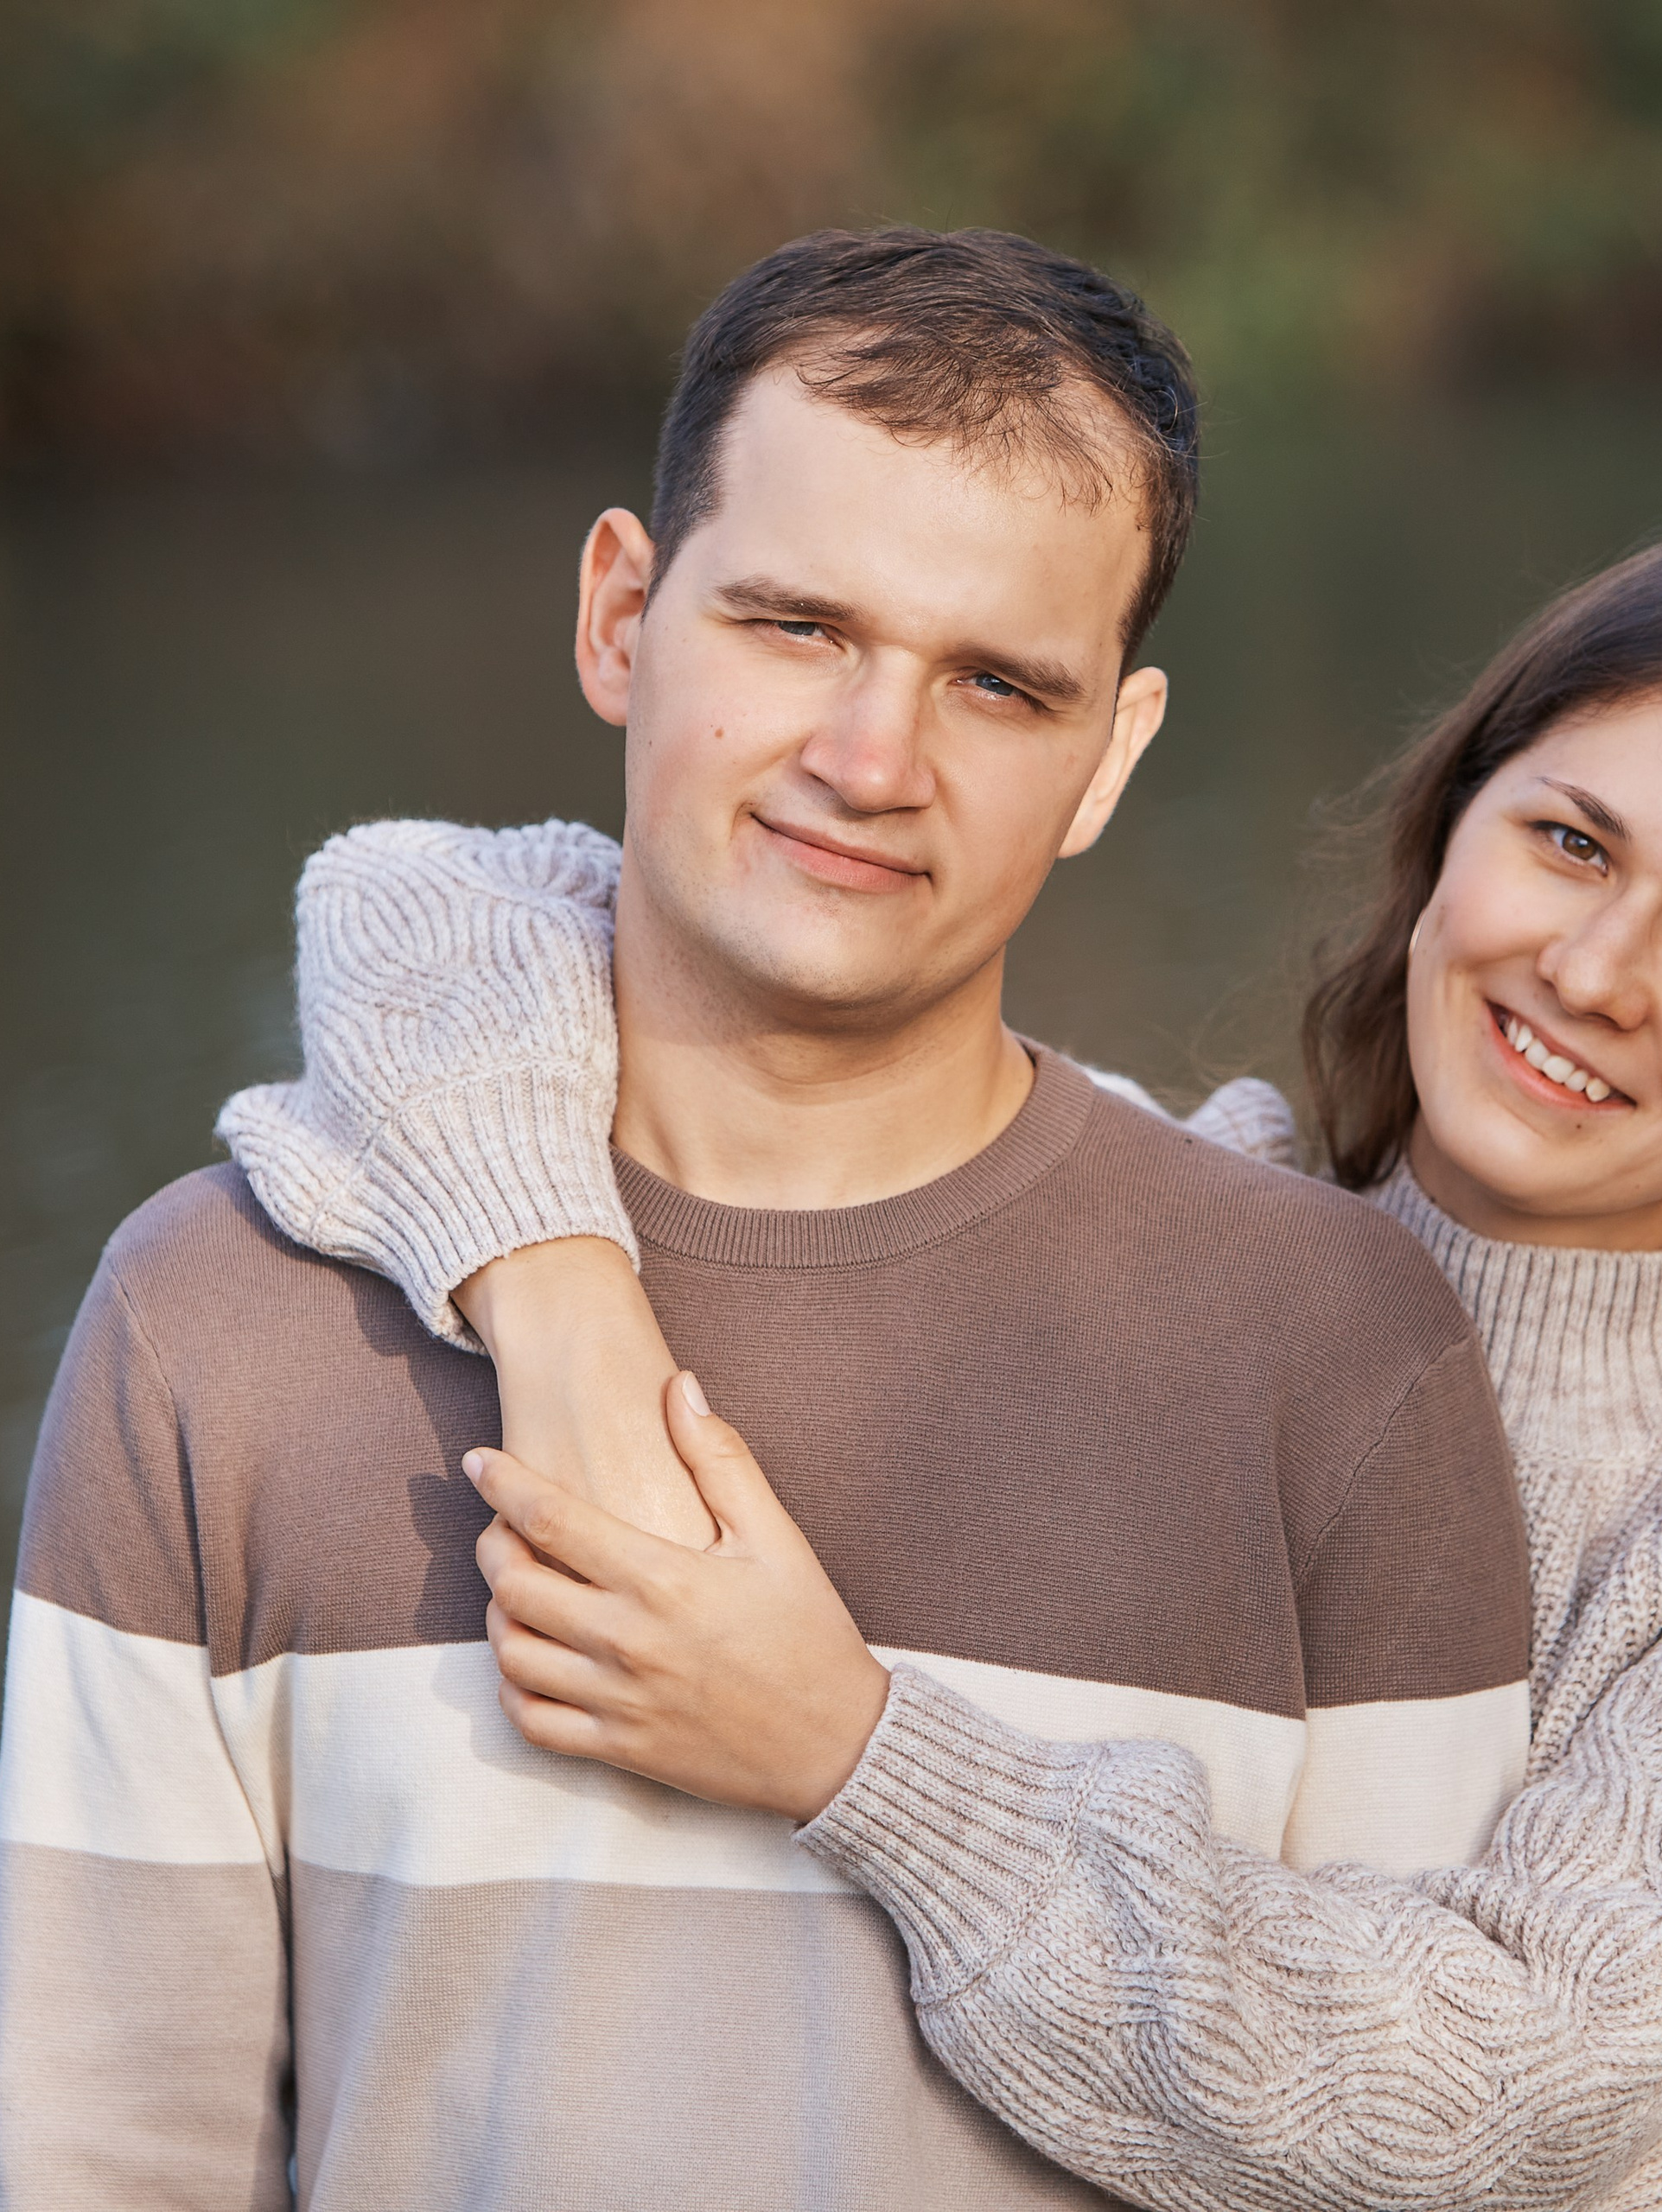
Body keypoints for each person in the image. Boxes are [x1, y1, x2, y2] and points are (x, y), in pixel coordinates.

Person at [231, 505, 1662, 2209]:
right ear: (1454, 825)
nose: (1592, 971)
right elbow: (419, 901)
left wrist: (850, 1750)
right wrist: (562, 1311)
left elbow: (1491, 2094)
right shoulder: (1209, 1239)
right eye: (1568, 842)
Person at [0, 229, 1533, 2209]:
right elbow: (98, 2155)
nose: (870, 761)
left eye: (995, 682)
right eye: (796, 626)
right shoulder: (216, 1325)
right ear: (619, 615)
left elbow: (1436, 2151)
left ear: (1109, 757)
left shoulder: (1333, 1355)